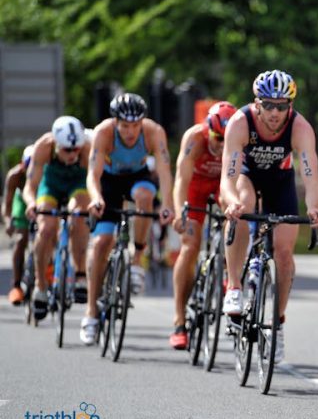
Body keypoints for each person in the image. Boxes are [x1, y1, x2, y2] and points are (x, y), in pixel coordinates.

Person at [221, 70, 318, 363]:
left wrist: (314, 207)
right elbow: (228, 177)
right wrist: (229, 202)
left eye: (282, 106)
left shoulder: (300, 127)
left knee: (283, 253)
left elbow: (311, 177)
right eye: (269, 105)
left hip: (280, 182)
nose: (275, 113)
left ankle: (277, 323)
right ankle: (234, 286)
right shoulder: (240, 123)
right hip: (247, 177)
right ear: (257, 103)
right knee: (242, 207)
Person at [82, 92, 175, 345]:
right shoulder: (103, 133)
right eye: (125, 126)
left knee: (145, 197)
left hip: (138, 177)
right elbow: (93, 174)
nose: (131, 132)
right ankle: (91, 311)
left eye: (135, 125)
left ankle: (136, 259)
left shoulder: (153, 132)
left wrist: (168, 204)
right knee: (102, 242)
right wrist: (96, 198)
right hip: (108, 183)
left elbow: (165, 173)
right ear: (115, 122)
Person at [169, 100, 237, 349]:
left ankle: (229, 273)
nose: (221, 146)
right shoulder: (195, 138)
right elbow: (181, 179)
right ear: (208, 130)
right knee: (190, 246)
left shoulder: (239, 138)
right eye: (217, 138)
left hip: (222, 185)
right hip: (195, 186)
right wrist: (179, 213)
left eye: (226, 140)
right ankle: (178, 320)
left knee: (236, 221)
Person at [22, 116, 91, 320]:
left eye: (76, 149)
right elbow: (30, 186)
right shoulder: (43, 146)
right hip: (51, 185)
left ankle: (80, 275)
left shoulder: (87, 148)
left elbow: (94, 179)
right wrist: (31, 204)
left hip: (77, 184)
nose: (72, 154)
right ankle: (40, 286)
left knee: (79, 216)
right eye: (67, 150)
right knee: (46, 228)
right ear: (56, 144)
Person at [3, 145, 34, 305]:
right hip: (21, 202)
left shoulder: (46, 172)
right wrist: (9, 221)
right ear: (23, 165)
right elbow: (7, 203)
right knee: (21, 238)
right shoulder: (15, 175)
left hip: (41, 199)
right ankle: (16, 286)